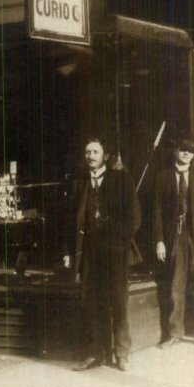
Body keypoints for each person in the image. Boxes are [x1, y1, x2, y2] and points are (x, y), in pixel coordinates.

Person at [65, 135, 140, 371]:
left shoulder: (121, 179)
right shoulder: (79, 183)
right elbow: (70, 221)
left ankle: (121, 354)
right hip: (89, 253)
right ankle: (94, 353)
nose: (90, 156)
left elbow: (134, 217)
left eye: (95, 152)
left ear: (104, 156)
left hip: (115, 252)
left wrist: (120, 240)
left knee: (119, 302)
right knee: (92, 303)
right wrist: (69, 251)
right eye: (87, 152)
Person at [153, 132, 194, 348]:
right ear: (175, 151)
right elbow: (157, 211)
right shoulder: (162, 177)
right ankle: (175, 333)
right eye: (183, 150)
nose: (187, 154)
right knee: (176, 285)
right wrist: (160, 240)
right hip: (175, 237)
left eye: (191, 152)